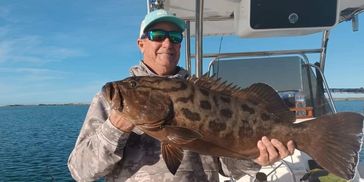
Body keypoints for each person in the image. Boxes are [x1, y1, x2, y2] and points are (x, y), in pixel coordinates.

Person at [68, 9, 295, 182]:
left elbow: (227, 168)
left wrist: (255, 159)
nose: (167, 43)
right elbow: (81, 171)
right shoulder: (111, 99)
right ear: (141, 44)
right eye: (157, 35)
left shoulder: (204, 95)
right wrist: (115, 127)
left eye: (175, 37)